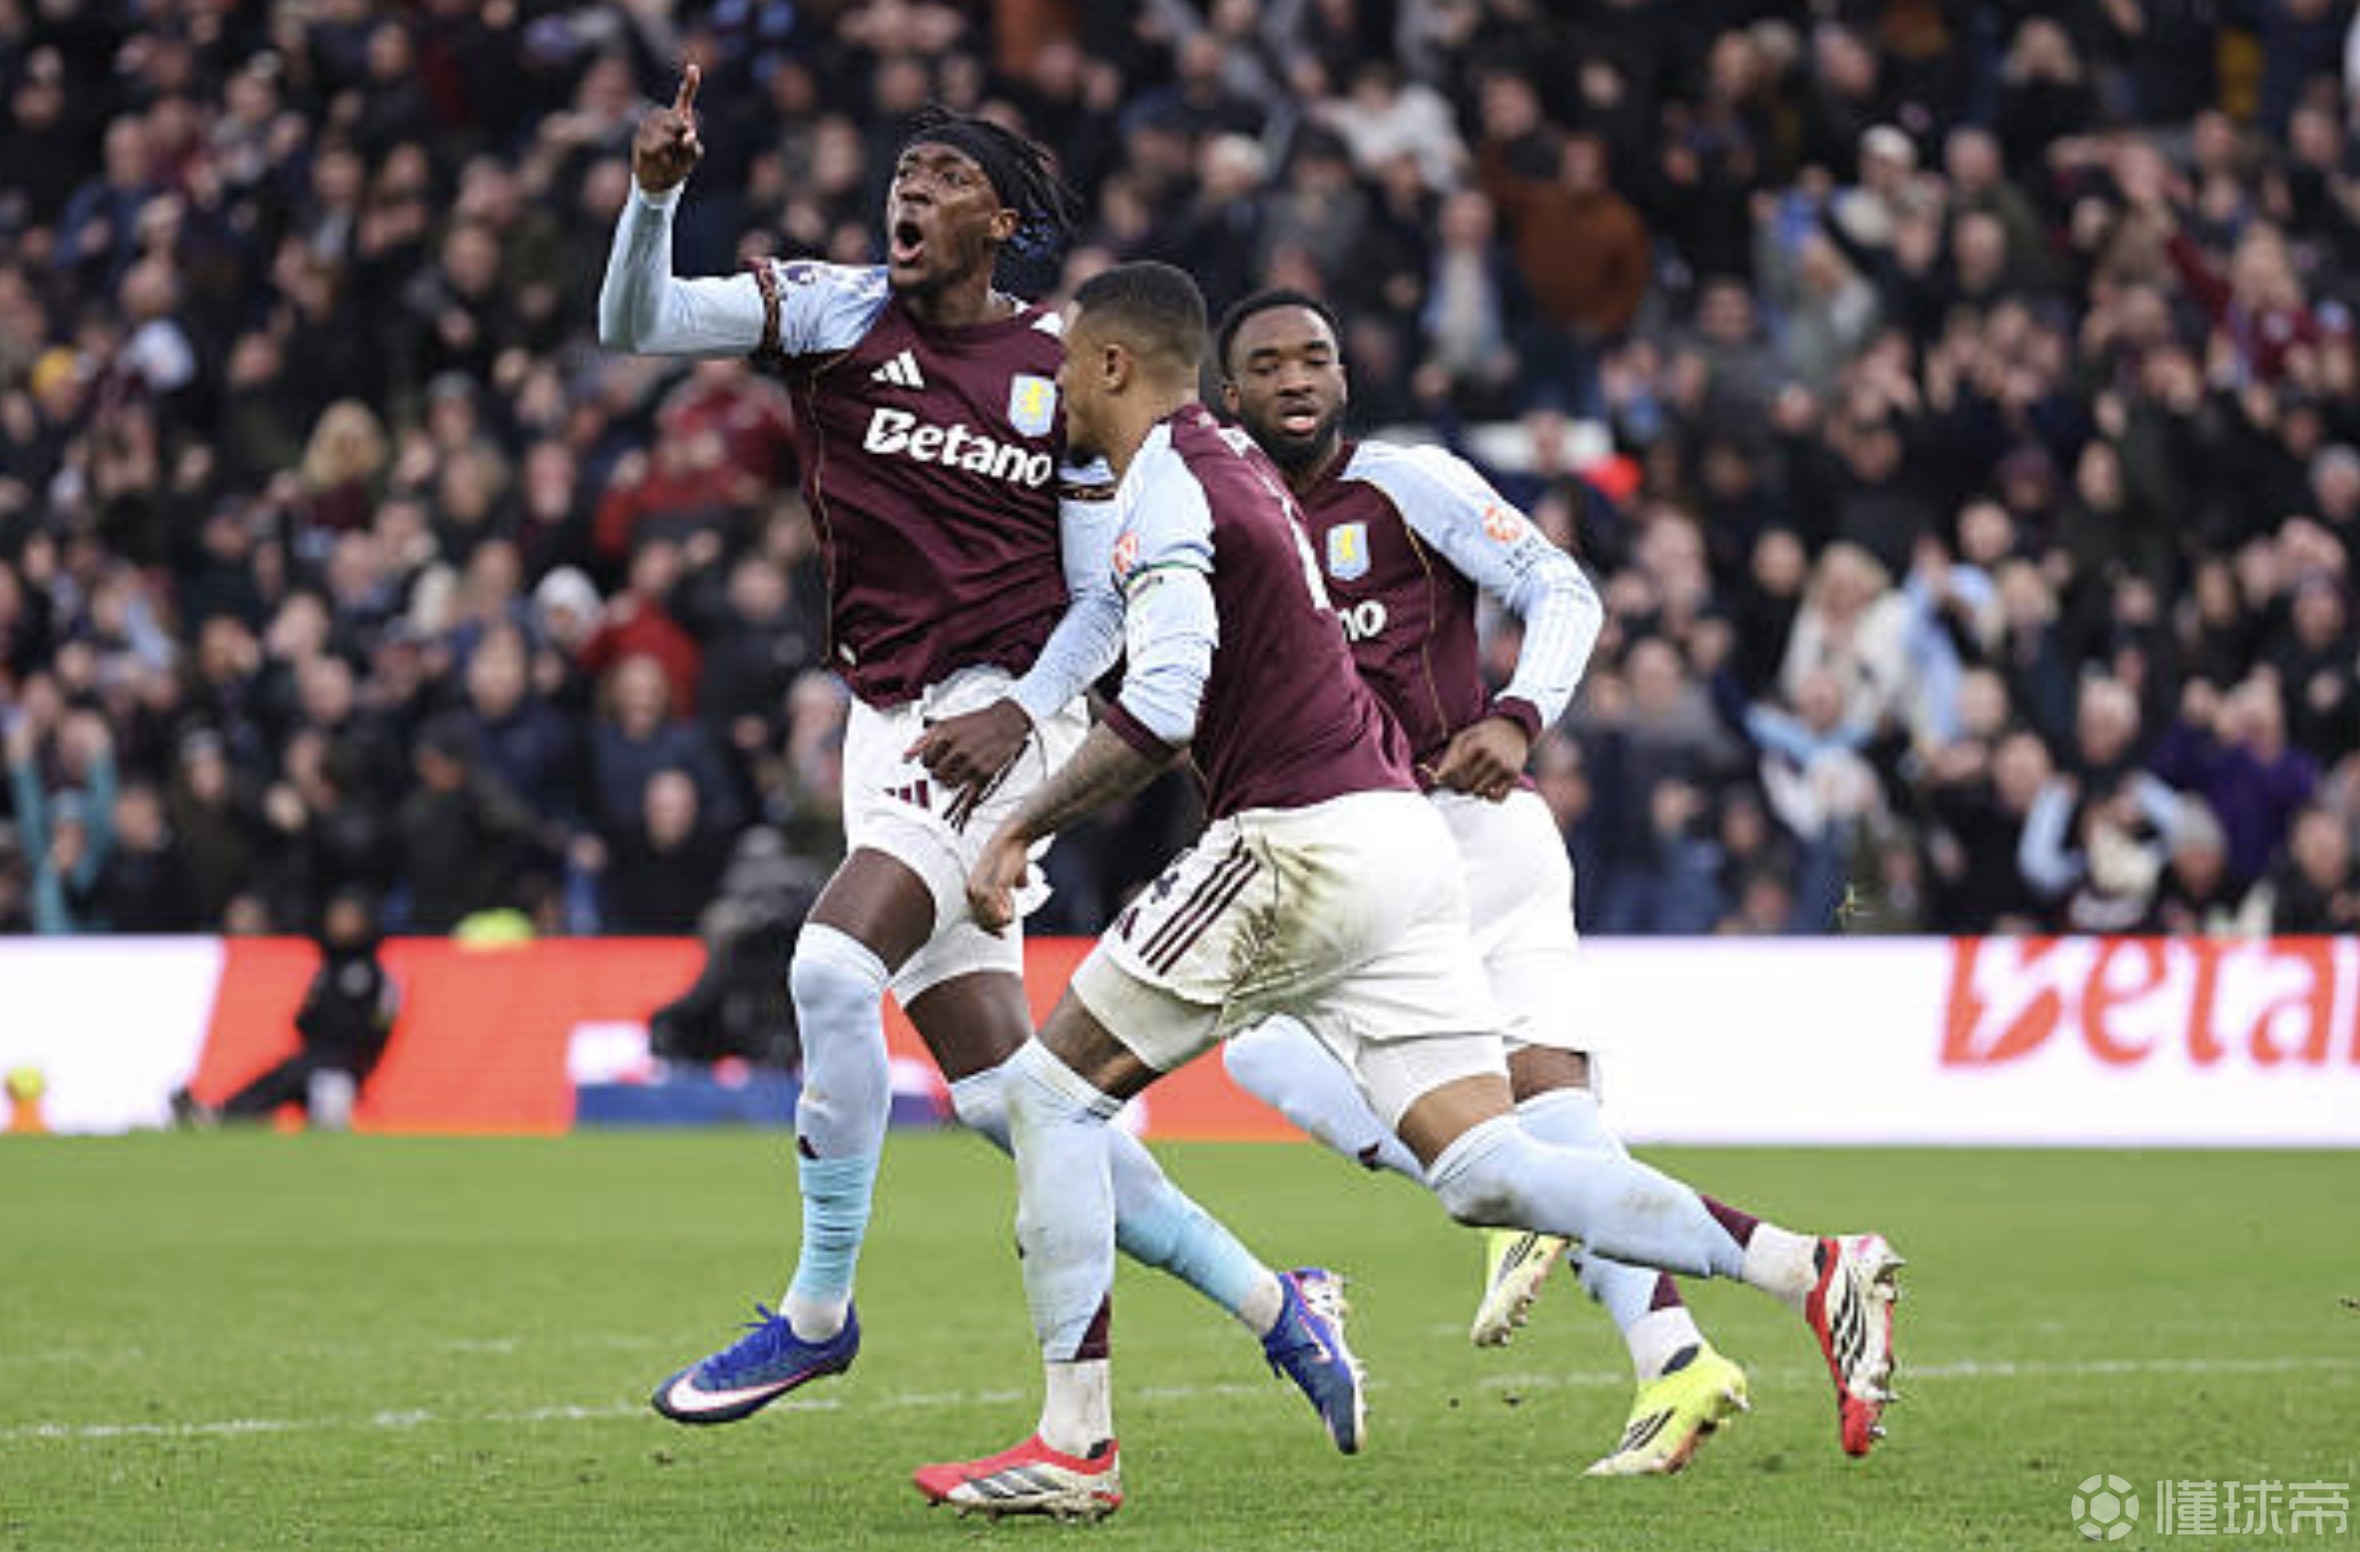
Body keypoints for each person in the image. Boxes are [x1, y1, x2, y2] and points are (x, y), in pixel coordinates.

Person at [913, 263, 1903, 1521]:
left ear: (1111, 366)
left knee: (1047, 1097)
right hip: (1398, 841)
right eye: (1266, 365)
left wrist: (1015, 827)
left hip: (1298, 840)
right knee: (1489, 1167)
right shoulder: (1233, 468)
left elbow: (1159, 709)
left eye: (1063, 365)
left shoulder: (1179, 483)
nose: (1051, 388)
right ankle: (1811, 1267)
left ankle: (1075, 1446)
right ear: (1220, 384)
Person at [597, 74, 1352, 1443]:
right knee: (1019, 1104)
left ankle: (817, 1312)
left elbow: (1102, 595)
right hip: (888, 726)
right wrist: (654, 200)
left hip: (1010, 717)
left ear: (999, 221)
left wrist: (1025, 710)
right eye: (907, 172)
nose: (913, 190)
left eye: (946, 178)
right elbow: (635, 322)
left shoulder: (1067, 367)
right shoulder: (834, 313)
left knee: (828, 968)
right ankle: (1278, 1302)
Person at [1210, 286, 1754, 1477]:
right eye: (1269, 362)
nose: (1296, 377)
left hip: (1466, 830)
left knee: (1282, 1045)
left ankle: (1534, 1221)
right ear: (1230, 392)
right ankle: (1664, 1345)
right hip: (1359, 847)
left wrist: (1517, 714)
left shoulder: (1410, 483)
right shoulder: (1219, 514)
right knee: (1531, 1109)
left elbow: (1560, 587)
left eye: (1315, 356)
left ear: (1343, 378)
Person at [173, 889, 398, 1131]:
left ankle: (224, 1116)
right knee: (278, 1075)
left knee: (300, 1076)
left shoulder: (375, 974)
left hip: (343, 1067)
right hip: (314, 1057)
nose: (338, 924)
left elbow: (377, 1027)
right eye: (336, 916)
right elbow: (304, 1020)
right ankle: (223, 1114)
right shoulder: (329, 967)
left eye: (347, 917)